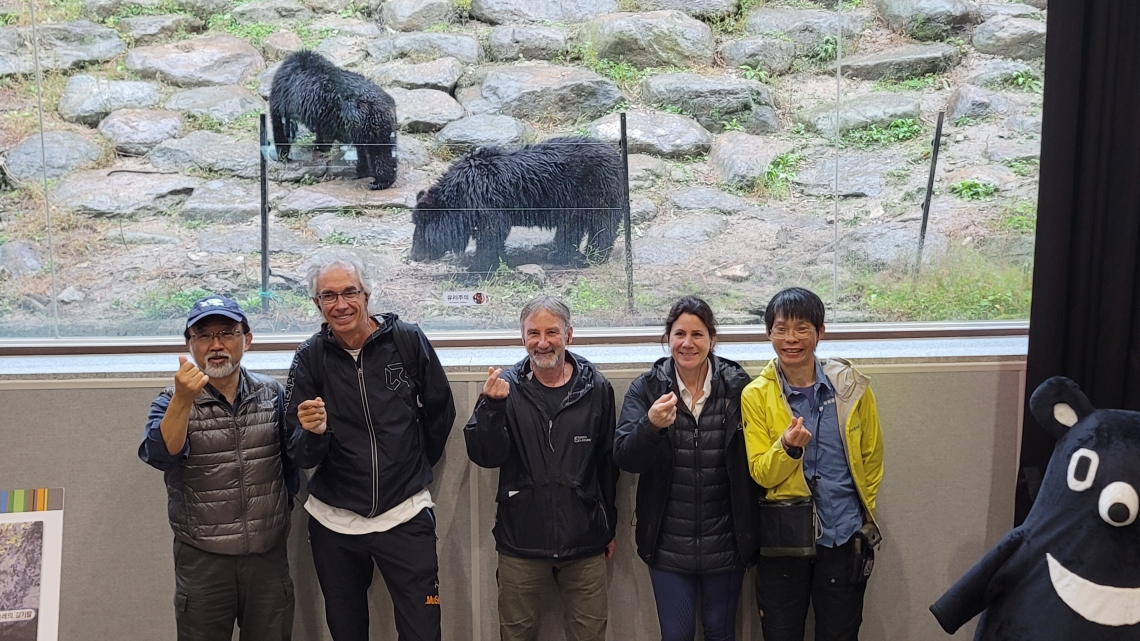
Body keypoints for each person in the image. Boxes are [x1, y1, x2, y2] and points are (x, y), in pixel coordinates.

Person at [285, 253, 456, 641]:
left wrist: (410, 468)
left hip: (406, 516)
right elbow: (298, 452)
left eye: (350, 292)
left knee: (425, 627)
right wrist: (314, 433)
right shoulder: (308, 358)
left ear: (367, 294)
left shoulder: (408, 341)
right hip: (335, 522)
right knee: (347, 632)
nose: (341, 304)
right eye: (328, 296)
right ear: (317, 303)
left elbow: (440, 413)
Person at [139, 294, 298, 641]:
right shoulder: (170, 399)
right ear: (189, 344)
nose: (216, 345)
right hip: (203, 561)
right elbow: (161, 455)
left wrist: (281, 515)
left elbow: (292, 463)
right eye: (203, 336)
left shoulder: (271, 393)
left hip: (267, 558)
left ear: (247, 339)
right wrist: (183, 400)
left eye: (227, 333)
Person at [464, 296, 619, 641]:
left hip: (585, 542)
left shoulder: (597, 389)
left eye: (552, 332)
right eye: (534, 332)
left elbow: (607, 464)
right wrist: (492, 407)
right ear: (522, 337)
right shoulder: (504, 388)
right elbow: (484, 455)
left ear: (569, 335)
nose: (543, 342)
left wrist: (609, 526)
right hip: (521, 541)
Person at [741, 287, 885, 641]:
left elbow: (872, 457)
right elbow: (761, 471)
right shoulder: (755, 395)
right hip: (784, 538)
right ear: (768, 334)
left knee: (840, 633)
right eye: (781, 329)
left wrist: (862, 517)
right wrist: (787, 448)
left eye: (802, 328)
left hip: (843, 535)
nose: (791, 339)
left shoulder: (852, 388)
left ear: (820, 332)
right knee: (781, 633)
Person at [614, 296, 762, 641]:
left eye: (697, 334)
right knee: (676, 635)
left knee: (720, 632)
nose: (687, 343)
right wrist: (650, 426)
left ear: (712, 339)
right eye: (679, 333)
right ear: (668, 338)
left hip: (726, 542)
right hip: (668, 544)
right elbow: (625, 458)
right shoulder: (647, 388)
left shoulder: (739, 387)